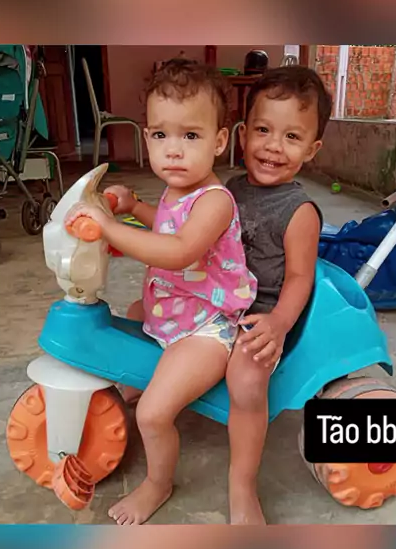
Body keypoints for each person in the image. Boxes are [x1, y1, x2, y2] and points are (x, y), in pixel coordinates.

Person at [65, 60, 257, 525]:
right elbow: (167, 223)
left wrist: (111, 227)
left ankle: (157, 483)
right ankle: (134, 387)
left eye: (190, 135)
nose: (173, 150)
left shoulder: (215, 201)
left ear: (219, 141)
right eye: (159, 134)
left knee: (152, 414)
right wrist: (135, 208)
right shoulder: (177, 190)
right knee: (130, 317)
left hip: (206, 329)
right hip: (169, 312)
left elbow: (179, 249)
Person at [225, 65, 332, 524]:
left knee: (247, 381)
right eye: (264, 130)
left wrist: (279, 323)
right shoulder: (230, 189)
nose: (273, 146)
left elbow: (300, 278)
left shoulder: (299, 210)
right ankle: (134, 391)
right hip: (217, 303)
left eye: (291, 137)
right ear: (243, 134)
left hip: (261, 315)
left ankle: (242, 486)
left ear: (312, 149)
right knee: (142, 314)